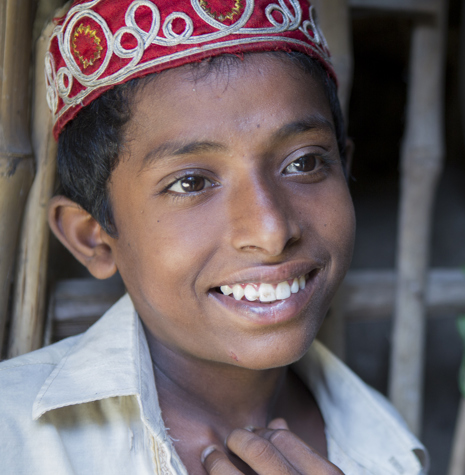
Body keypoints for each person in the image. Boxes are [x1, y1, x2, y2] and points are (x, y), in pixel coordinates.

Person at [0, 1, 427, 474]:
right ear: (94, 238)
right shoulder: (14, 437)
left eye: (304, 162)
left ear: (344, 170)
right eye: (191, 183)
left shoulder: (389, 448)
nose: (270, 231)